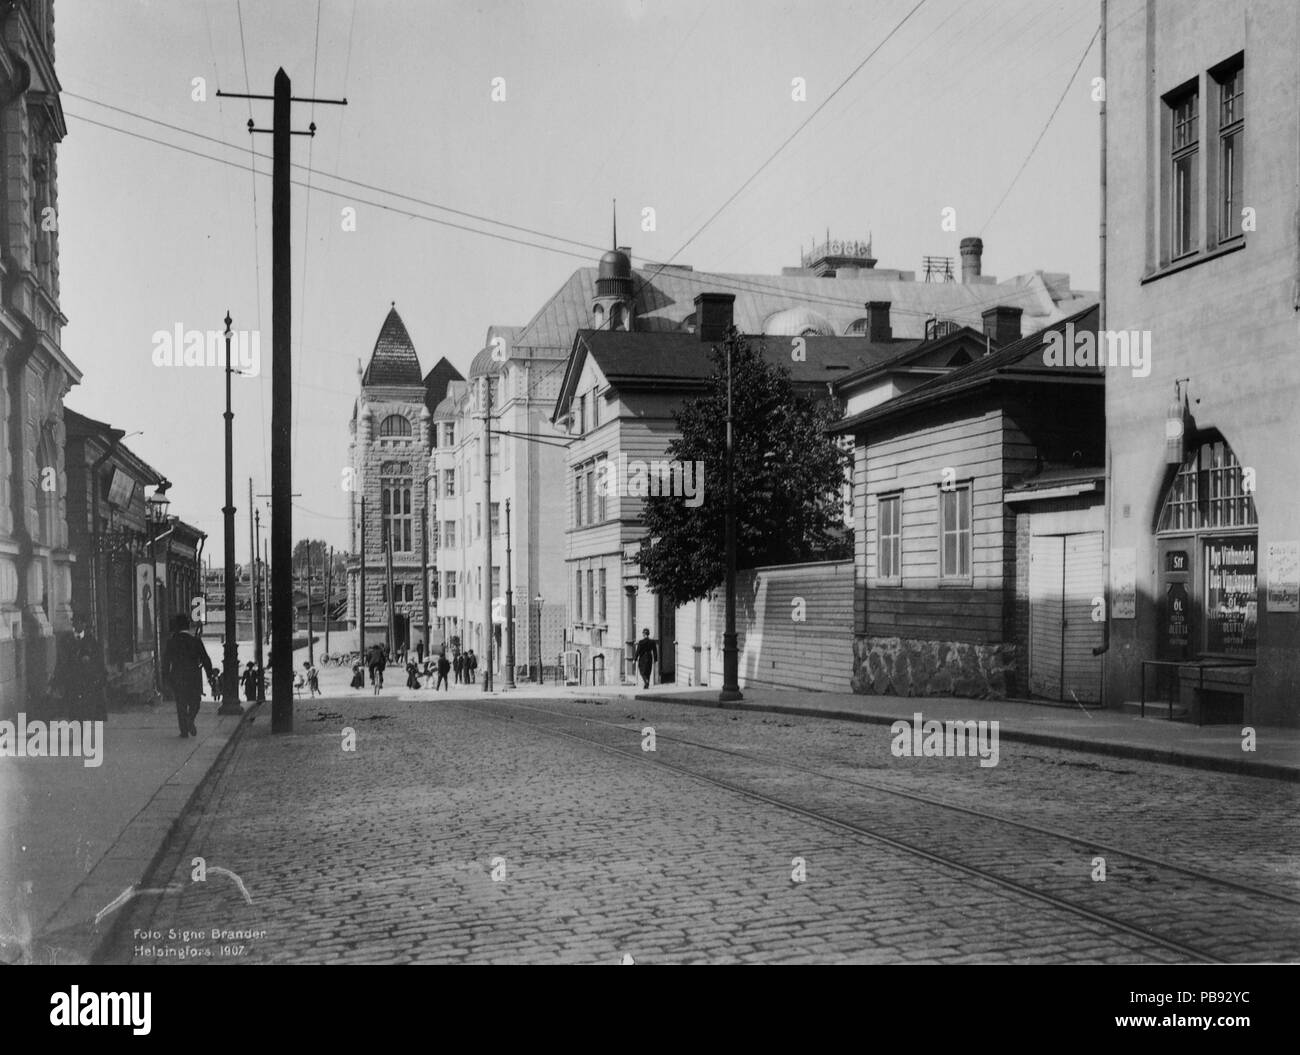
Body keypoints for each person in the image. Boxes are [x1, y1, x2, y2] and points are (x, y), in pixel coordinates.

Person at [162, 613, 216, 738]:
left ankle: (184, 731)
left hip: (177, 676)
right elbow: (205, 659)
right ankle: (190, 718)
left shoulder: (171, 642)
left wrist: (166, 678)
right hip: (194, 676)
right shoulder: (195, 641)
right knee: (195, 702)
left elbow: (166, 662)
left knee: (181, 703)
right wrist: (210, 676)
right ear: (188, 625)